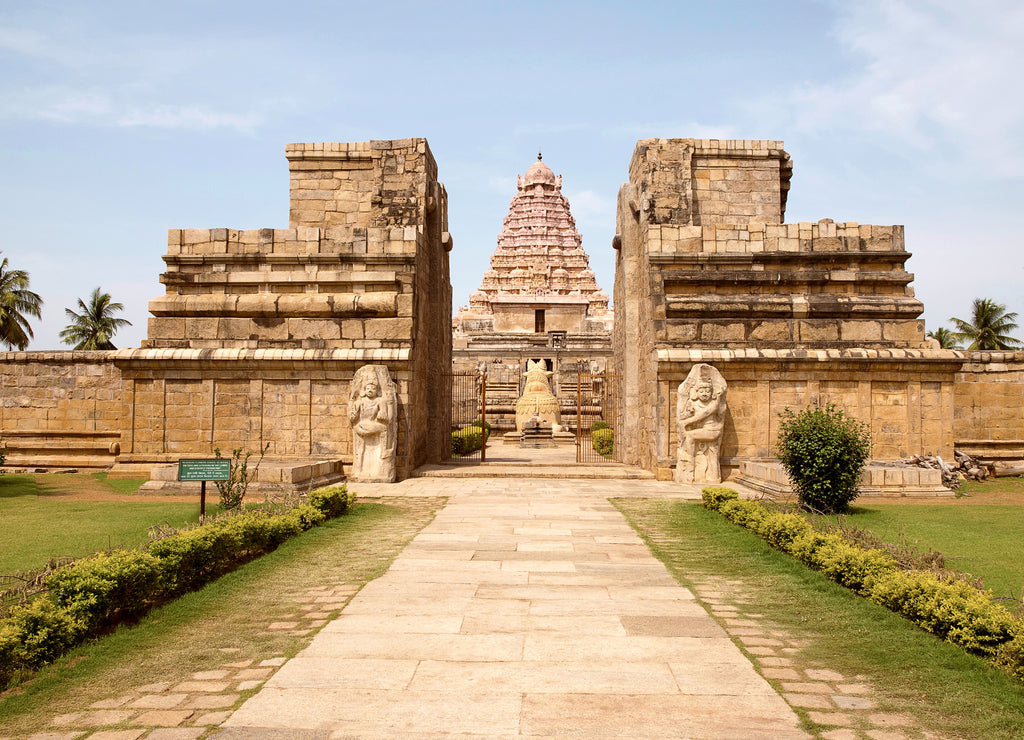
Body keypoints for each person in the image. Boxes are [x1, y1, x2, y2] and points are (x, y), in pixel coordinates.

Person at [676, 367, 727, 484]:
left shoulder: (713, 404)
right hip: (704, 430)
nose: (705, 393)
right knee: (689, 435)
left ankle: (690, 463)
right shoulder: (694, 403)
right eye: (701, 391)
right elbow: (685, 415)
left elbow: (703, 415)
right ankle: (691, 465)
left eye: (708, 391)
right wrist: (686, 414)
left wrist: (686, 422)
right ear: (696, 392)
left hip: (713, 430)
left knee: (690, 436)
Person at [349, 368, 395, 481]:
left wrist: (388, 406)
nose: (370, 390)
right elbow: (352, 418)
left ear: (377, 390)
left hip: (374, 426)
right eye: (368, 388)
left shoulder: (381, 401)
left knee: (384, 428)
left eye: (373, 388)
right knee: (360, 449)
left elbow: (388, 418)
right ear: (364, 390)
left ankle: (384, 454)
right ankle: (359, 468)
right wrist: (353, 413)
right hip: (361, 426)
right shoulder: (359, 402)